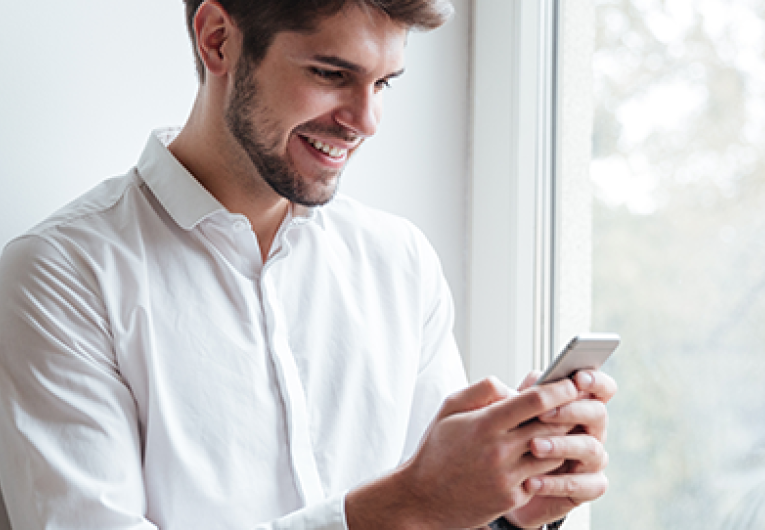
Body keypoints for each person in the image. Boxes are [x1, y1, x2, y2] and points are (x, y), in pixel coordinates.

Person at [0, 1, 616, 529]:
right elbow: (415, 503)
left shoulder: (399, 263)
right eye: (330, 73)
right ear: (218, 40)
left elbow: (435, 513)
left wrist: (504, 507)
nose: (366, 121)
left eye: (383, 83)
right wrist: (404, 503)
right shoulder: (59, 276)